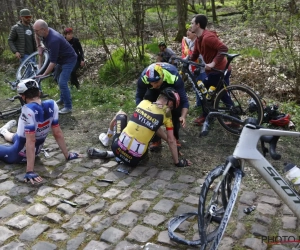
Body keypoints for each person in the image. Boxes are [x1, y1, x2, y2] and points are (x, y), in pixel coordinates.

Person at [0, 79, 80, 184]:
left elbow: (31, 141)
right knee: (17, 136)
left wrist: (30, 171)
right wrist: (67, 155)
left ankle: (4, 131)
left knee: (21, 138)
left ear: (23, 97)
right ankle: (3, 130)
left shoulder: (27, 109)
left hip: (17, 156)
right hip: (35, 151)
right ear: (39, 92)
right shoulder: (52, 104)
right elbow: (57, 133)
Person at [88, 88, 192, 168]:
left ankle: (107, 138)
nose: (171, 109)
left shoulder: (143, 103)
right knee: (146, 134)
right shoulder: (166, 116)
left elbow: (152, 125)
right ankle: (113, 152)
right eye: (172, 107)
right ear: (169, 102)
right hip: (136, 159)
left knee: (121, 114)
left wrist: (170, 141)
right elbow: (171, 139)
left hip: (117, 148)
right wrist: (178, 162)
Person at [135, 63, 189, 151]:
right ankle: (156, 140)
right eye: (151, 82)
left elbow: (184, 101)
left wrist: (183, 116)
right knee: (150, 107)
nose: (154, 85)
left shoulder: (174, 77)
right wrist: (141, 110)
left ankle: (175, 138)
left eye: (156, 82)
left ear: (162, 76)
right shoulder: (144, 79)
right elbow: (139, 97)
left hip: (169, 86)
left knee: (176, 109)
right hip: (152, 91)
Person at [189, 14, 232, 126]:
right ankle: (210, 115)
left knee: (215, 92)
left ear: (198, 25)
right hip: (215, 70)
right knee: (211, 92)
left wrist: (213, 63)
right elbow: (195, 54)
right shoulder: (199, 39)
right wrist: (184, 60)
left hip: (220, 69)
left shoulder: (208, 37)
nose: (190, 25)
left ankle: (209, 115)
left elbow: (224, 48)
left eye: (192, 23)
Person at [33, 19, 77, 114]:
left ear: (44, 30)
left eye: (36, 30)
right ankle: (62, 98)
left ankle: (68, 106)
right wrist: (39, 46)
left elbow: (52, 62)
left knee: (62, 82)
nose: (35, 32)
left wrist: (44, 74)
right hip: (61, 59)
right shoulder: (42, 32)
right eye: (34, 30)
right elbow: (36, 35)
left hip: (69, 60)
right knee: (57, 78)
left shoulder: (54, 40)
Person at [182, 27, 206, 107]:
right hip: (192, 69)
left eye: (190, 31)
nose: (188, 32)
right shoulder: (190, 42)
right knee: (196, 87)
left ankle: (205, 104)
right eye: (187, 30)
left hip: (201, 69)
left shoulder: (198, 42)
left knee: (202, 87)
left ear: (195, 34)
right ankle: (199, 103)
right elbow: (185, 40)